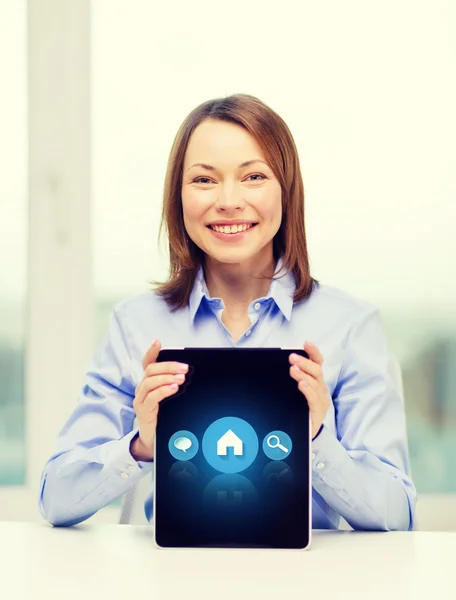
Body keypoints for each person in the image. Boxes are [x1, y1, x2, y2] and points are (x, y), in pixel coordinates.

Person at [39, 93, 416, 530]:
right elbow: (56, 498)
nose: (229, 201)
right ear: (178, 196)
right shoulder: (137, 324)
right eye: (204, 180)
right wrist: (141, 445)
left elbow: (399, 515)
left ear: (286, 190)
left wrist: (315, 438)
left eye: (253, 176)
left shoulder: (349, 326)